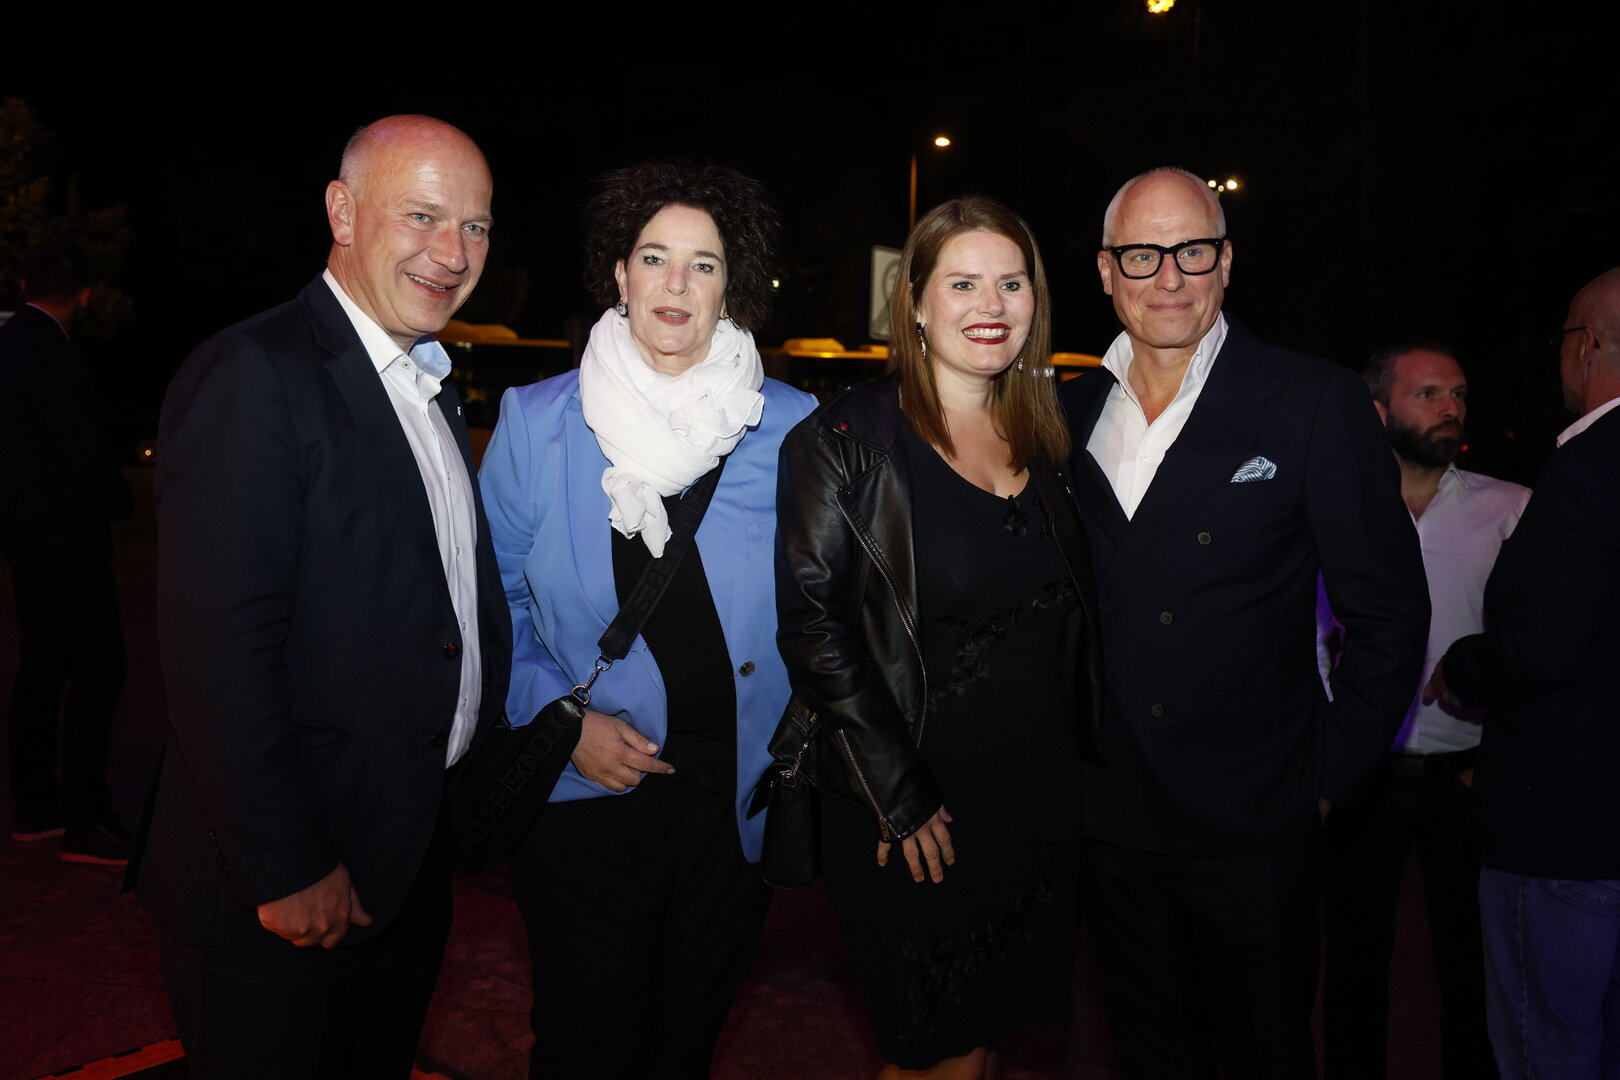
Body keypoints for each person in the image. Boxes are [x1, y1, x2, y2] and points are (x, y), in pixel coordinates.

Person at [126, 115, 510, 1080]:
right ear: (342, 211)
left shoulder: (427, 388)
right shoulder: (255, 373)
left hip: (402, 866)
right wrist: (285, 864)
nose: (452, 253)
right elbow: (219, 655)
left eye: (475, 226)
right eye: (422, 216)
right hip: (282, 892)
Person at [1060, 167, 1429, 1078]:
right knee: (1146, 1057)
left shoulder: (1310, 400)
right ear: (1105, 271)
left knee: (1263, 1056)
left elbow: (1389, 615)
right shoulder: (1064, 411)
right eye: (1142, 255)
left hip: (1255, 827)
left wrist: (1325, 783)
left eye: (1193, 251)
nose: (1169, 277)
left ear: (1226, 262)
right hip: (1109, 821)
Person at [478, 160, 817, 1079]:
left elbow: (827, 610)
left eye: (704, 264)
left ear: (731, 287)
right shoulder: (537, 422)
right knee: (585, 1046)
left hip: (730, 805)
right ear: (620, 274)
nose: (677, 282)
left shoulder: (793, 429)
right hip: (583, 795)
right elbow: (489, 608)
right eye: (655, 257)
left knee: (684, 1047)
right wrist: (560, 721)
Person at [777, 195, 1101, 1080]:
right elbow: (815, 630)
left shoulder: (1049, 435)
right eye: (962, 283)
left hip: (1038, 800)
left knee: (990, 1040)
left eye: (1011, 283)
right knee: (935, 1052)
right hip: (917, 803)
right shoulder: (844, 440)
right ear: (915, 302)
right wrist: (899, 791)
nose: (990, 304)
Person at [1431, 267, 1620, 1079]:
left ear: (1587, 347)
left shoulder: (1588, 467)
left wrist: (1460, 668)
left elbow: (1544, 646)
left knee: (1548, 1048)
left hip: (1564, 828)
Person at [1321, 344, 1524, 1079]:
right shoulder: (1333, 511)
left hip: (1465, 776)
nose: (1452, 409)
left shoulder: (1512, 509)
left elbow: (1533, 645)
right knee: (1352, 964)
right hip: (1361, 777)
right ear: (1378, 413)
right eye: (1429, 394)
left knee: (1472, 969)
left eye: (1459, 394)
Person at [1, 242, 132, 863]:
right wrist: (118, 498)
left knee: (42, 666)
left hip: (26, 538)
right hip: (67, 539)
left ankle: (35, 803)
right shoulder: (55, 352)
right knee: (99, 667)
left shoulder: (9, 343)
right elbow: (80, 444)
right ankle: (84, 814)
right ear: (83, 295)